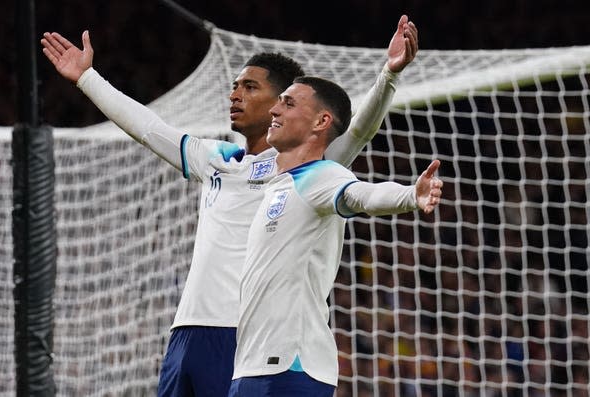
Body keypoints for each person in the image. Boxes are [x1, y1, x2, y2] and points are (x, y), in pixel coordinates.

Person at [40, 14, 419, 397]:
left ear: (282, 103)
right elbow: (148, 128)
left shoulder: (309, 166)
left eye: (250, 87)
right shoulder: (216, 159)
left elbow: (359, 130)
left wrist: (389, 75)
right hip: (186, 332)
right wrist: (88, 78)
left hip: (247, 337)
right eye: (235, 86)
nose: (234, 95)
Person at [226, 75, 442, 396]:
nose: (274, 110)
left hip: (287, 365)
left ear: (321, 121)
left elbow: (361, 195)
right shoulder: (276, 186)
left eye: (288, 103)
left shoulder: (321, 176)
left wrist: (410, 195)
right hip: (254, 364)